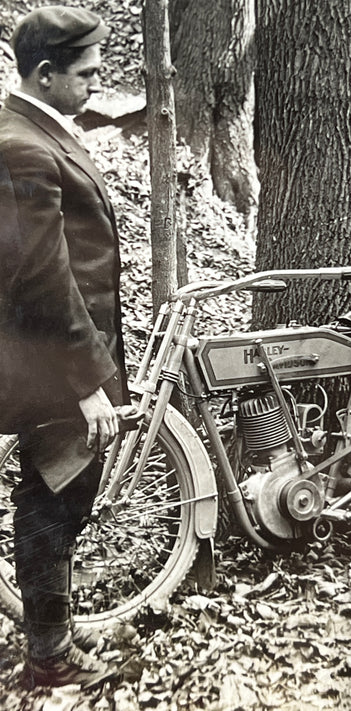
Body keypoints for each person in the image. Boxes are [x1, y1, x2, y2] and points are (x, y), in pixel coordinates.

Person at [0, 6, 130, 688]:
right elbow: (46, 277)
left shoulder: (39, 129)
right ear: (45, 74)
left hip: (67, 353)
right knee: (52, 500)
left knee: (66, 495)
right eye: (86, 75)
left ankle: (53, 633)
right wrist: (87, 383)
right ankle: (47, 658)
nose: (95, 86)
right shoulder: (21, 144)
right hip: (56, 364)